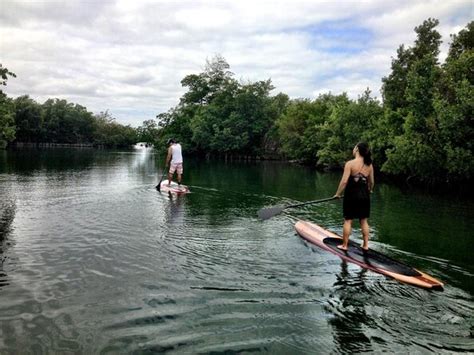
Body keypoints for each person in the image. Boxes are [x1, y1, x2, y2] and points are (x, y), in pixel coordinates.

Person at [334, 142, 374, 251]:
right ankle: (365, 246)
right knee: (364, 220)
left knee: (348, 220)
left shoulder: (350, 164)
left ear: (356, 149)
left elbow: (344, 182)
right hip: (365, 196)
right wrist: (370, 190)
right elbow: (371, 182)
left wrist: (338, 194)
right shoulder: (369, 165)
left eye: (354, 146)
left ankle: (345, 245)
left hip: (351, 196)